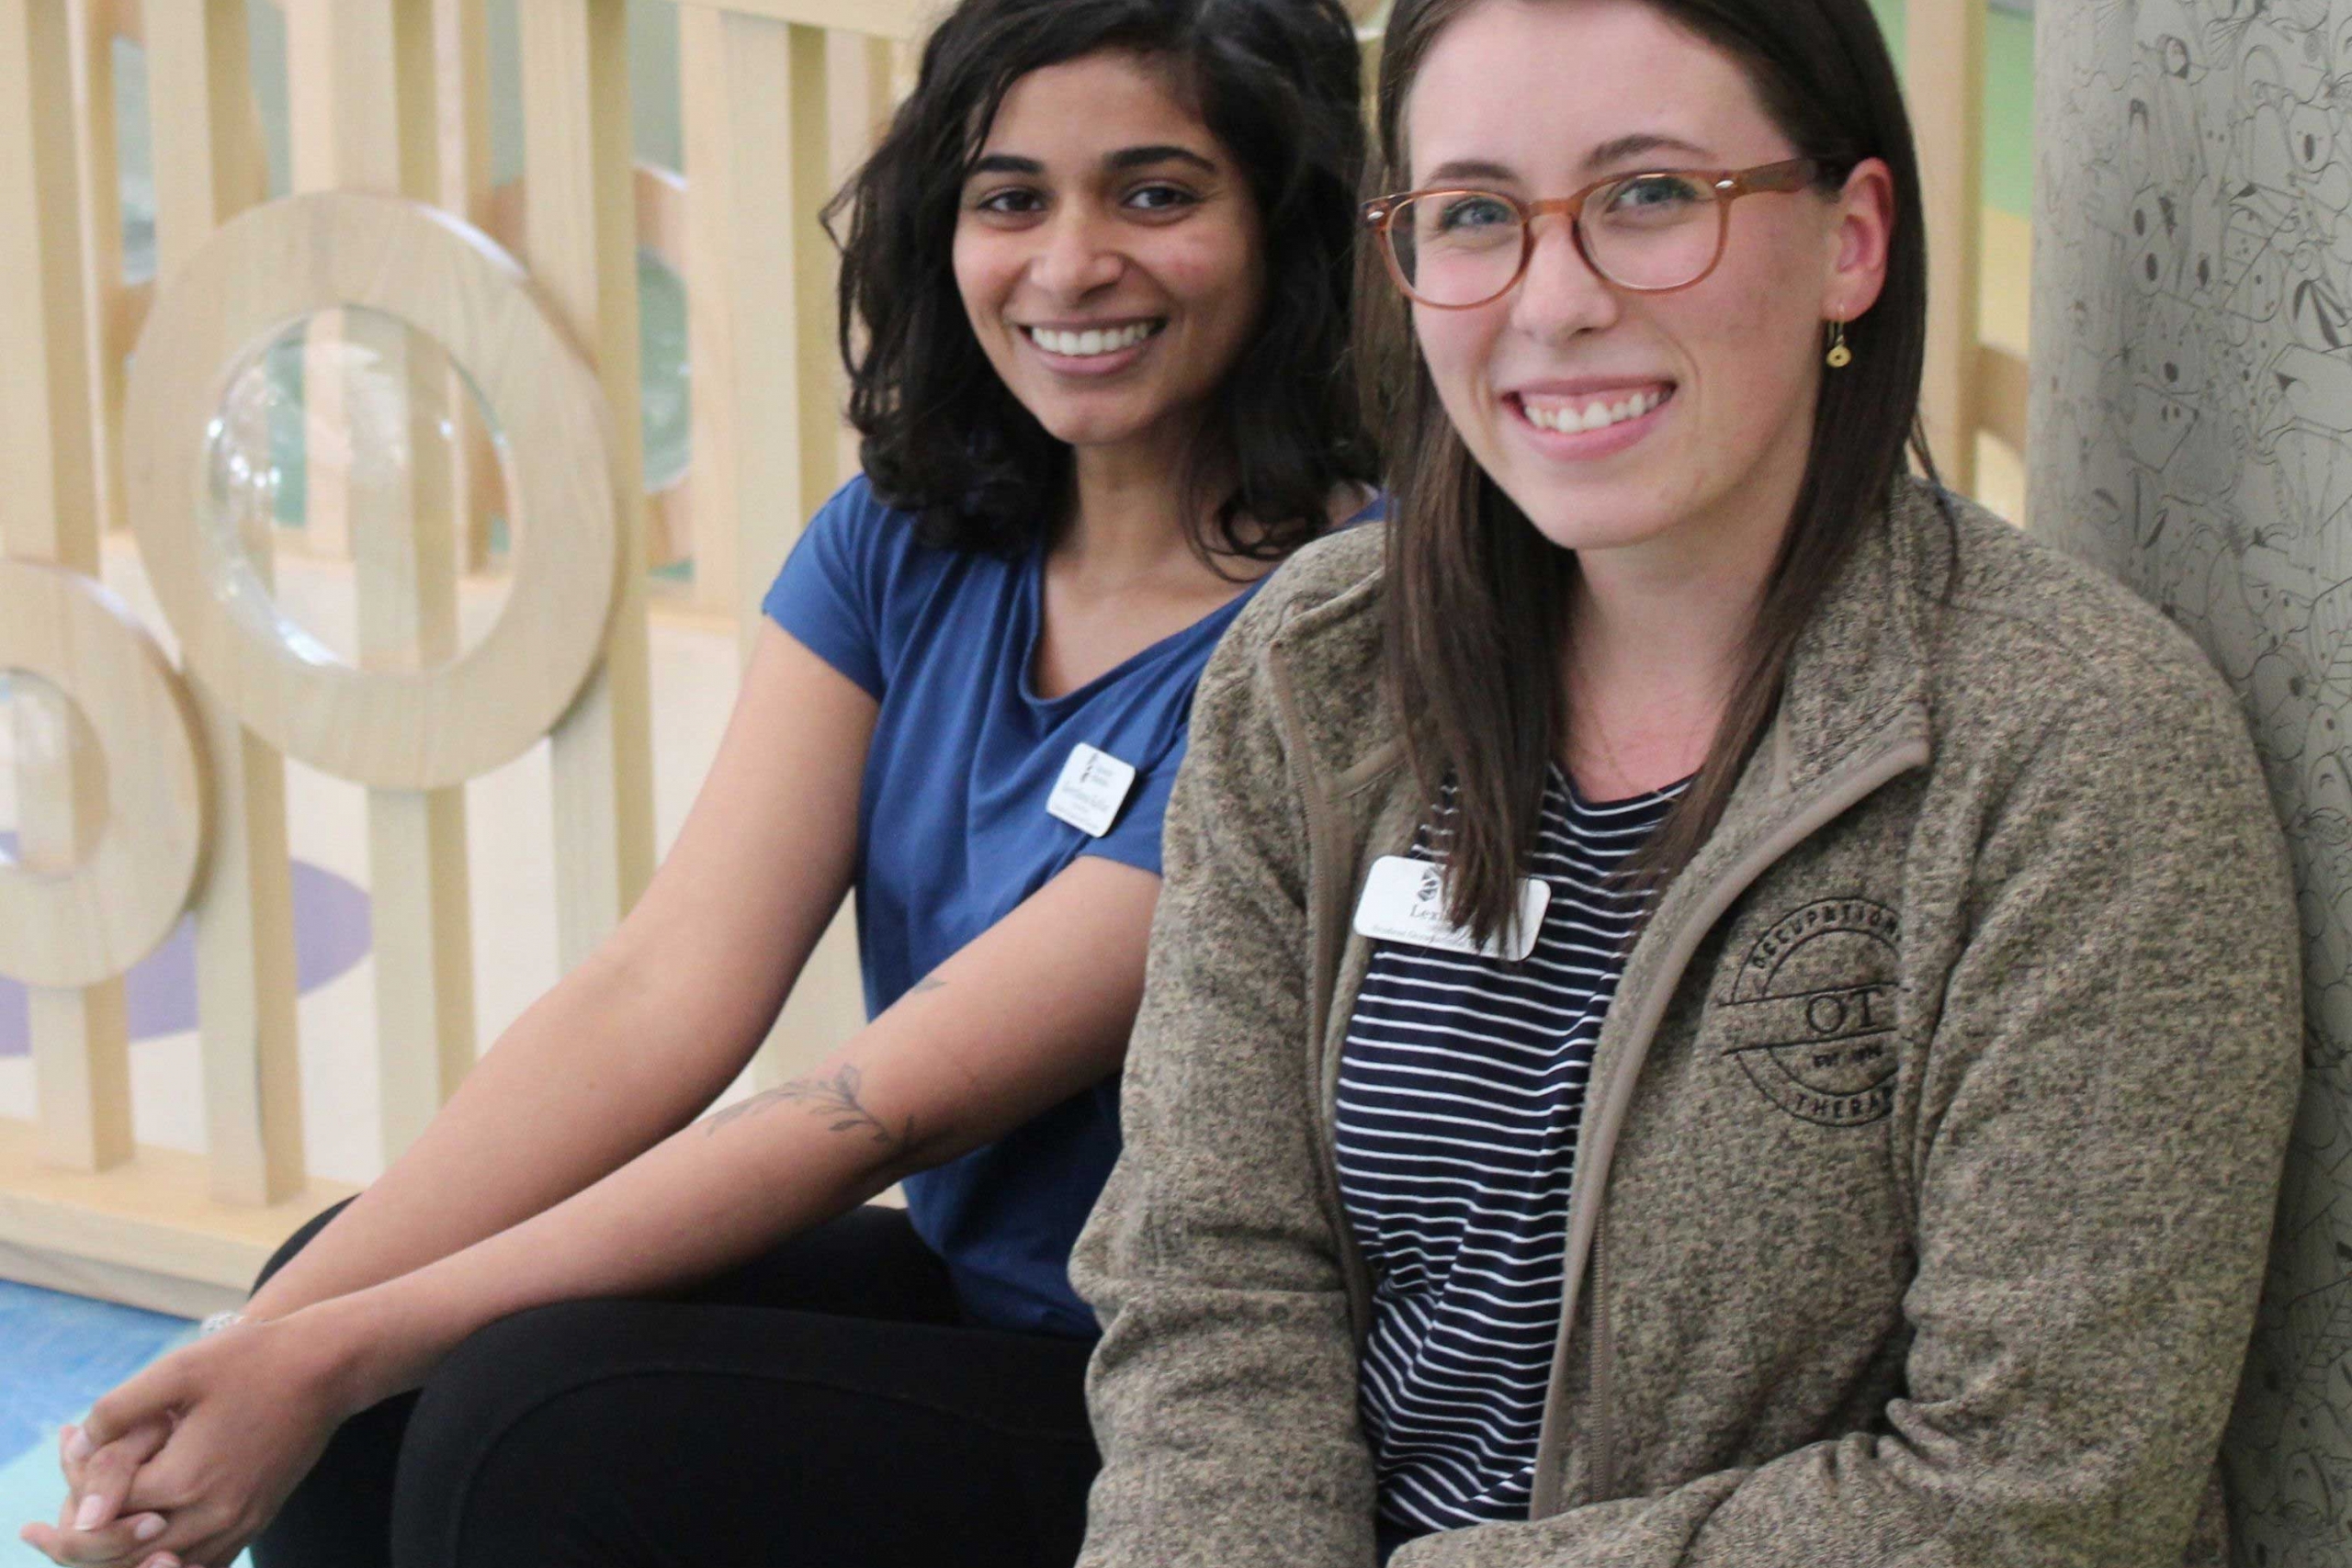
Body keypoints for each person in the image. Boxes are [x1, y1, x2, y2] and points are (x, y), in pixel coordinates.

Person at [23, 2, 1375, 1565]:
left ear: (1287, 225)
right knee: (351, 1294)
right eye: (1011, 199)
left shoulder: (1340, 629)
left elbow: (879, 1108)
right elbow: (661, 988)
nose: (1069, 264)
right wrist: (249, 1353)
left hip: (1189, 1401)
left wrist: (322, 1356)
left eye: (1155, 194)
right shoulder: (906, 542)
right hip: (971, 1294)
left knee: (524, 1424)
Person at [1069, 0, 2302, 1563]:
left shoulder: (2075, 749)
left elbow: (2044, 1488)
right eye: (1473, 216)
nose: (1554, 300)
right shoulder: (1320, 668)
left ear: (1851, 241)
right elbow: (1212, 1281)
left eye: (1650, 197)